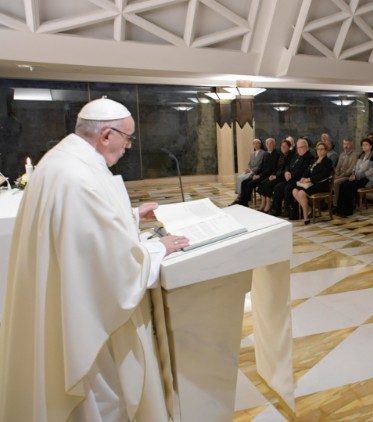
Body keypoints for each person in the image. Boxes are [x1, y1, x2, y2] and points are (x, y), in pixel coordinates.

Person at [0, 98, 188, 420]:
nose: (128, 147)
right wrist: (159, 248)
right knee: (102, 397)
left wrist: (129, 215)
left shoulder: (66, 159)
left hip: (59, 296)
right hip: (84, 321)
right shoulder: (77, 176)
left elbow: (84, 229)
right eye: (127, 139)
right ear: (105, 136)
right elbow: (110, 267)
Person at [270, 138, 314, 219]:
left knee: (288, 188)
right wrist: (286, 172)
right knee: (278, 187)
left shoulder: (309, 157)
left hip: (299, 181)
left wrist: (291, 176)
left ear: (305, 147)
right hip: (290, 179)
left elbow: (304, 172)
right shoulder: (296, 155)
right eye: (297, 148)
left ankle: (292, 212)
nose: (298, 149)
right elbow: (288, 165)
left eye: (300, 147)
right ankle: (277, 209)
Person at [292, 142, 334, 224]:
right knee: (294, 191)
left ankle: (306, 217)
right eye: (318, 149)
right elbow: (307, 171)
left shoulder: (328, 161)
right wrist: (303, 178)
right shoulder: (315, 160)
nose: (319, 151)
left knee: (301, 193)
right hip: (312, 183)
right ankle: (308, 209)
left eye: (322, 149)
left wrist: (309, 179)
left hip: (321, 185)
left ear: (326, 151)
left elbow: (323, 175)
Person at [336, 138, 373, 216]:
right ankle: (340, 209)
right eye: (363, 145)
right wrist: (353, 174)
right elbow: (355, 167)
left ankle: (347, 211)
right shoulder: (361, 155)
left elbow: (370, 172)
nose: (364, 146)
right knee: (343, 184)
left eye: (366, 145)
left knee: (348, 186)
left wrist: (356, 176)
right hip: (358, 177)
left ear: (371, 146)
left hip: (368, 180)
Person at [233, 137, 278, 207]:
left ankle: (245, 202)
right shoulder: (266, 154)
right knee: (244, 182)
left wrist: (259, 176)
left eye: (271, 143)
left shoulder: (276, 154)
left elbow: (271, 169)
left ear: (274, 144)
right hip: (260, 174)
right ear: (266, 145)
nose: (269, 145)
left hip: (266, 176)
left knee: (250, 184)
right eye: (267, 143)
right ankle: (241, 200)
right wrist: (255, 174)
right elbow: (261, 166)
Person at [258, 139, 292, 213]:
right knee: (263, 182)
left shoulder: (290, 156)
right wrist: (272, 175)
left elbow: (286, 170)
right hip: (277, 176)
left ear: (289, 147)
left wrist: (275, 177)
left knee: (268, 184)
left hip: (282, 178)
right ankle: (263, 202)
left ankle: (268, 204)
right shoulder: (281, 155)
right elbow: (277, 168)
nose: (283, 148)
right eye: (282, 146)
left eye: (285, 146)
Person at [332, 138, 357, 206]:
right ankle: (327, 203)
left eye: (348, 144)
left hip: (348, 176)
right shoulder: (342, 154)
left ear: (352, 145)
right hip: (339, 176)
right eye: (344, 144)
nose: (346, 146)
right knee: (328, 180)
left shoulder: (354, 155)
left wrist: (338, 177)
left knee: (335, 182)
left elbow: (350, 170)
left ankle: (335, 204)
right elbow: (337, 167)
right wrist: (336, 174)